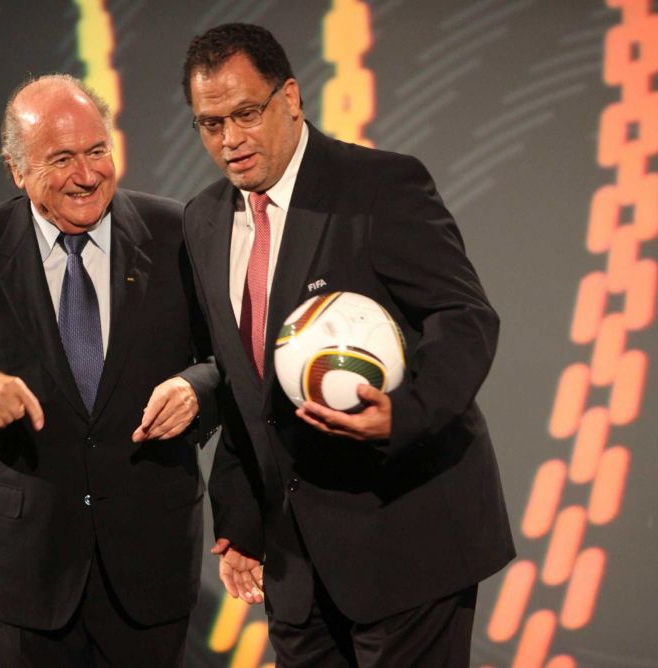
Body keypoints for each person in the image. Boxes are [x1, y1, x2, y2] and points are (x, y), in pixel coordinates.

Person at [181, 23, 514, 667]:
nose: (230, 140)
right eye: (209, 123)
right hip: (295, 565)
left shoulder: (379, 187)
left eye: (246, 113)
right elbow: (246, 382)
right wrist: (243, 516)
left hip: (406, 539)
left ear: (292, 98)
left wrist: (405, 414)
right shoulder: (203, 219)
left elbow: (464, 316)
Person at [0, 74, 218, 667]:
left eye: (98, 150)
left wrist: (196, 388)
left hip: (150, 565)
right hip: (30, 570)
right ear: (16, 170)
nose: (88, 174)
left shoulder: (178, 232)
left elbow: (227, 361)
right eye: (62, 158)